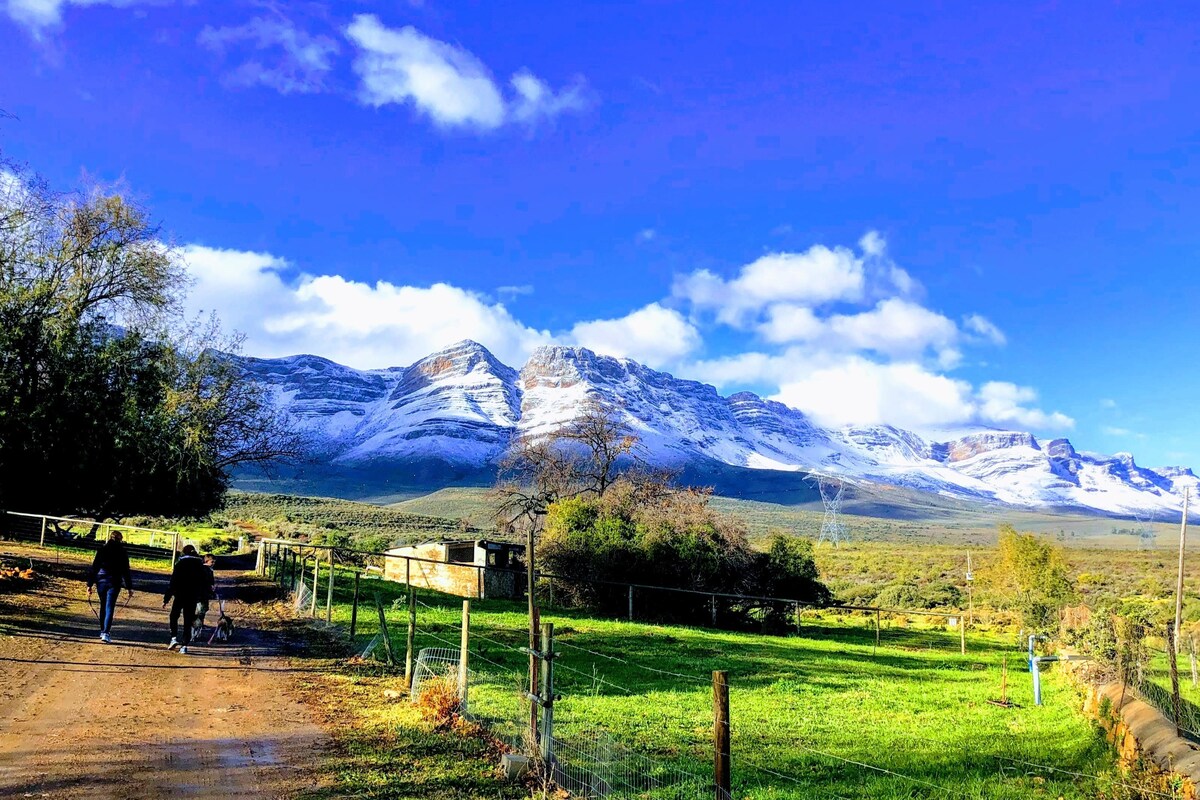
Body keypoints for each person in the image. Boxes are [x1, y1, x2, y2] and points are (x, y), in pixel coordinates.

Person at [86, 531, 133, 644]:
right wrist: (129, 587)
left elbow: (95, 567)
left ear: (110, 538)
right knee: (110, 606)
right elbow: (126, 571)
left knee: (103, 605)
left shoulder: (102, 549)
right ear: (120, 539)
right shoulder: (122, 552)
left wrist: (89, 584)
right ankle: (106, 632)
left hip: (101, 581)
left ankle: (103, 630)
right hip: (115, 582)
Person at [163, 544, 208, 654]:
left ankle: (173, 638)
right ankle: (184, 645)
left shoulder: (180, 564)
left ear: (184, 552)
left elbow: (173, 582)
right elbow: (204, 583)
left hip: (180, 595)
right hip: (192, 597)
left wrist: (167, 598)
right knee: (188, 620)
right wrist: (202, 597)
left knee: (174, 615)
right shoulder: (200, 566)